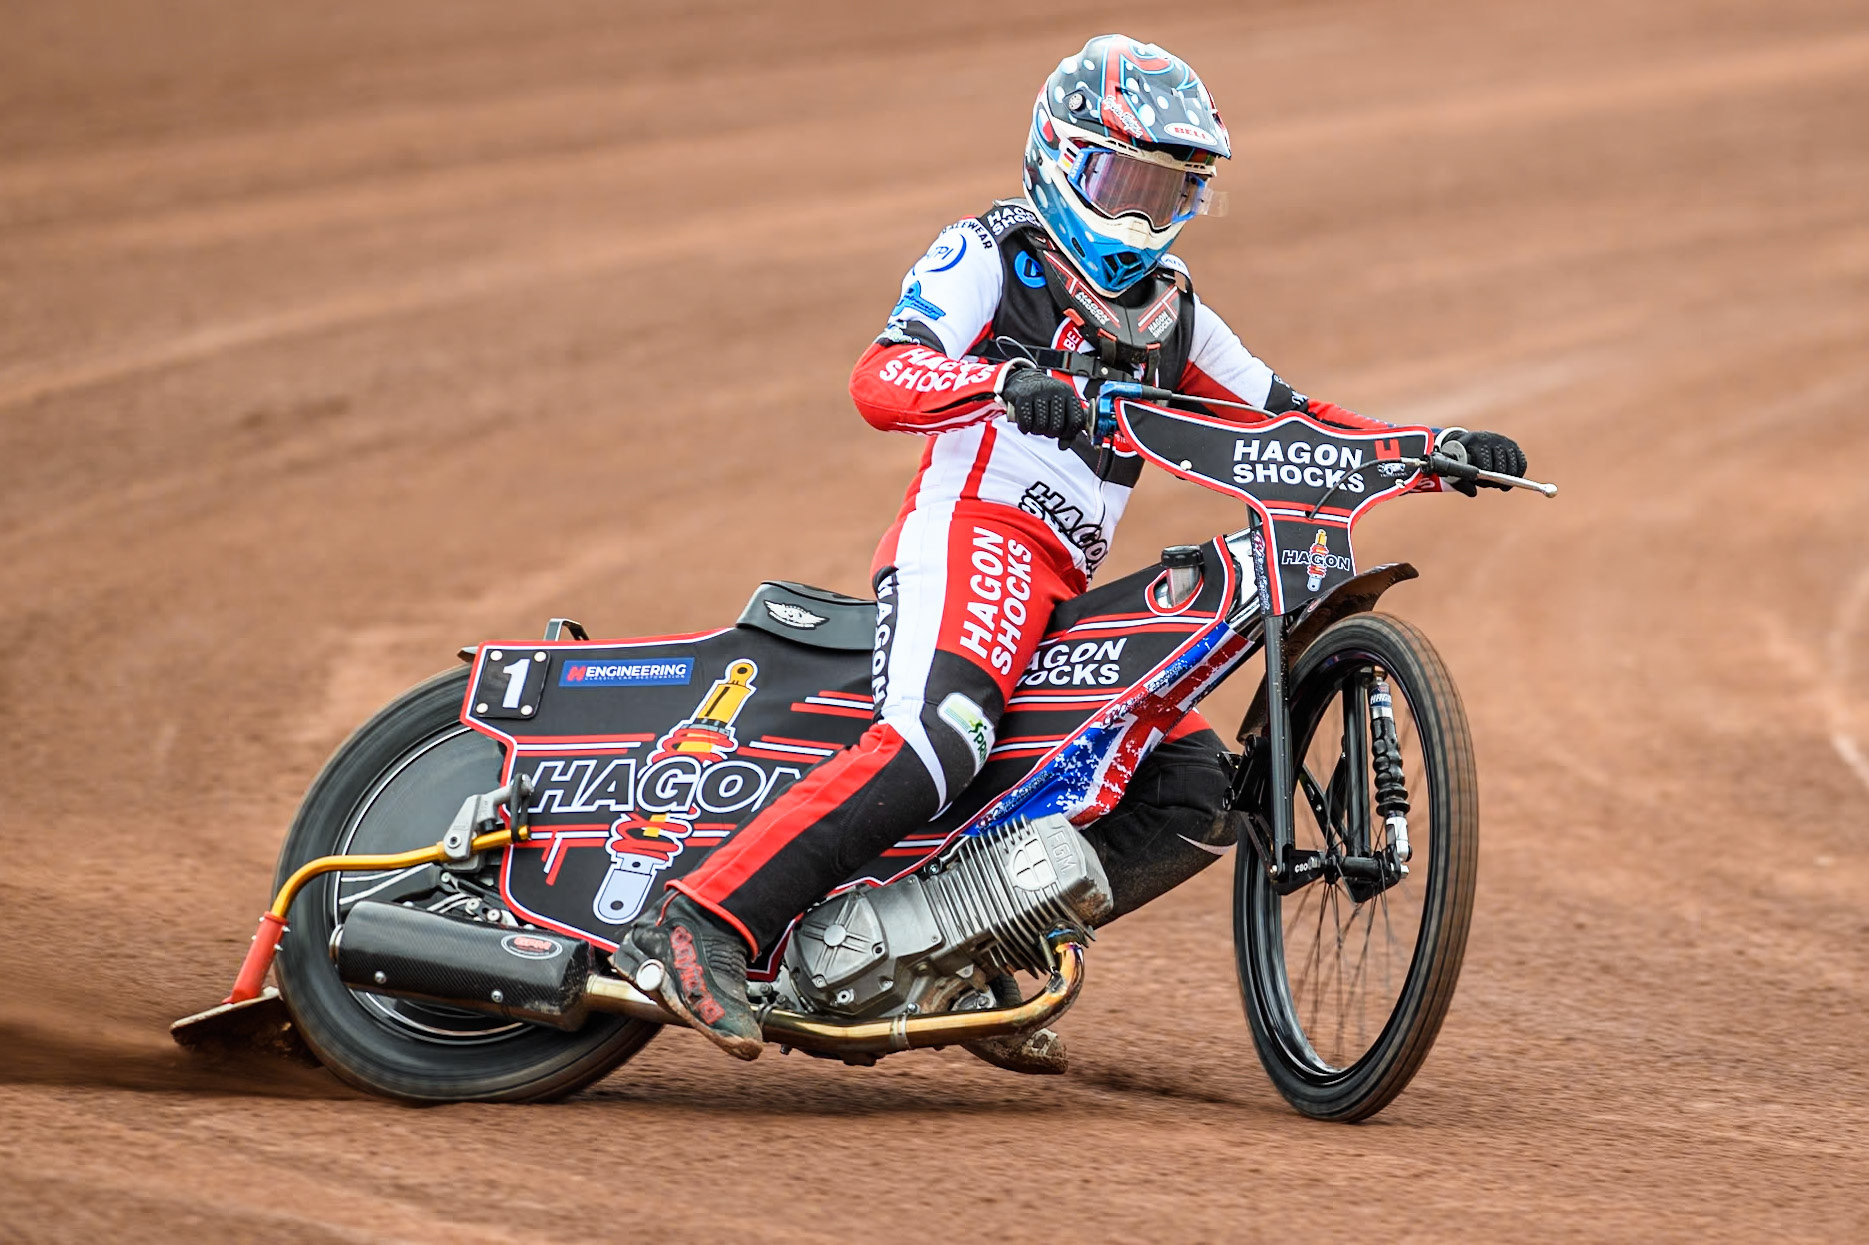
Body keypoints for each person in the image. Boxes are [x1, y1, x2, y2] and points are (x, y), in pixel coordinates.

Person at [613, 34, 1527, 1063]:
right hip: (971, 540)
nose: (1140, 216)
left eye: (1168, 191)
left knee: (1188, 784)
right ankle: (695, 925)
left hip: (1062, 585)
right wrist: (1001, 384)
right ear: (1059, 153)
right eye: (1121, 180)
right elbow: (882, 376)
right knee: (939, 737)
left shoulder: (1177, 312)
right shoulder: (990, 254)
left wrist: (1427, 450)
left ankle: (961, 949)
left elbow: (1289, 418)